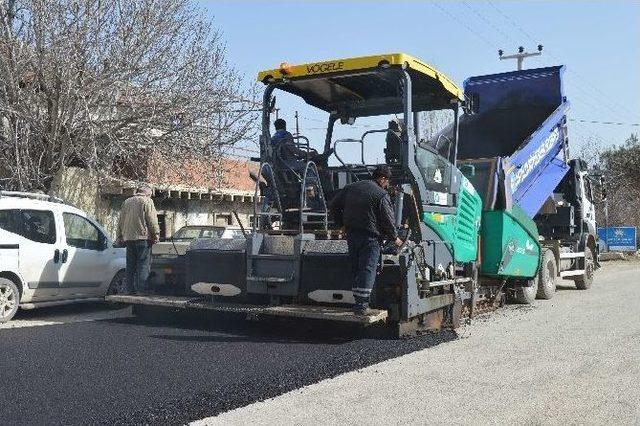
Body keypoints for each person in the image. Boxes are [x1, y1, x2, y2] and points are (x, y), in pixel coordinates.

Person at [330, 165, 403, 314]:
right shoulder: (381, 194)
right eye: (387, 181)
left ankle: (357, 301)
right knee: (368, 268)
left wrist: (341, 224)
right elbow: (388, 219)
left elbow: (334, 205)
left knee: (356, 268)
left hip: (351, 234)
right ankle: (362, 305)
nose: (387, 185)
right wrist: (395, 238)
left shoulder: (351, 187)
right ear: (382, 178)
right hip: (370, 237)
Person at [116, 185, 160, 295]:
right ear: (148, 193)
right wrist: (156, 234)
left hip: (128, 238)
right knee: (143, 265)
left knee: (130, 265)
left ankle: (129, 289)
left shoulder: (127, 202)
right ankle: (142, 290)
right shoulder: (147, 201)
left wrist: (119, 236)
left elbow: (120, 220)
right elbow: (152, 220)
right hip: (143, 238)